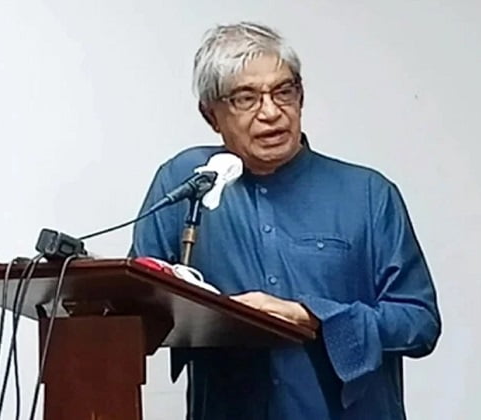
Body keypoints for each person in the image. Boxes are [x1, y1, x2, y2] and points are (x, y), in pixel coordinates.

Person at [130, 21, 441, 420]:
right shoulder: (187, 183)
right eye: (246, 98)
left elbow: (419, 323)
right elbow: (136, 308)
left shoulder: (368, 194)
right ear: (211, 115)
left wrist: (315, 318)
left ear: (301, 96)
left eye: (283, 92)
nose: (271, 112)